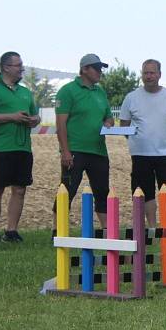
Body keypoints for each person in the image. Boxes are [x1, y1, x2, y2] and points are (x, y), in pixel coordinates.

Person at [0, 51, 41, 243]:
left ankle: (12, 231)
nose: (21, 68)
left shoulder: (25, 92)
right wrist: (12, 117)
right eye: (18, 65)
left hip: (23, 148)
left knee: (20, 189)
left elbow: (36, 116)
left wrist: (33, 120)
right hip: (1, 147)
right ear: (6, 67)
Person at [119, 59, 166, 228]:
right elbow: (124, 125)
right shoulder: (131, 97)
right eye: (145, 73)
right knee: (145, 192)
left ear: (159, 74)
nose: (148, 76)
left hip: (165, 153)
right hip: (140, 154)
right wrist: (136, 141)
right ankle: (152, 227)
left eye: (152, 72)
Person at [54, 53, 114, 227]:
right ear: (84, 69)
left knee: (102, 191)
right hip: (75, 151)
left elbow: (109, 117)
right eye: (96, 68)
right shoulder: (67, 91)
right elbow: (61, 124)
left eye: (101, 68)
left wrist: (108, 123)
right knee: (67, 189)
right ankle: (57, 230)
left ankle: (106, 230)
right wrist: (65, 151)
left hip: (98, 150)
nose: (99, 72)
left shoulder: (100, 91)